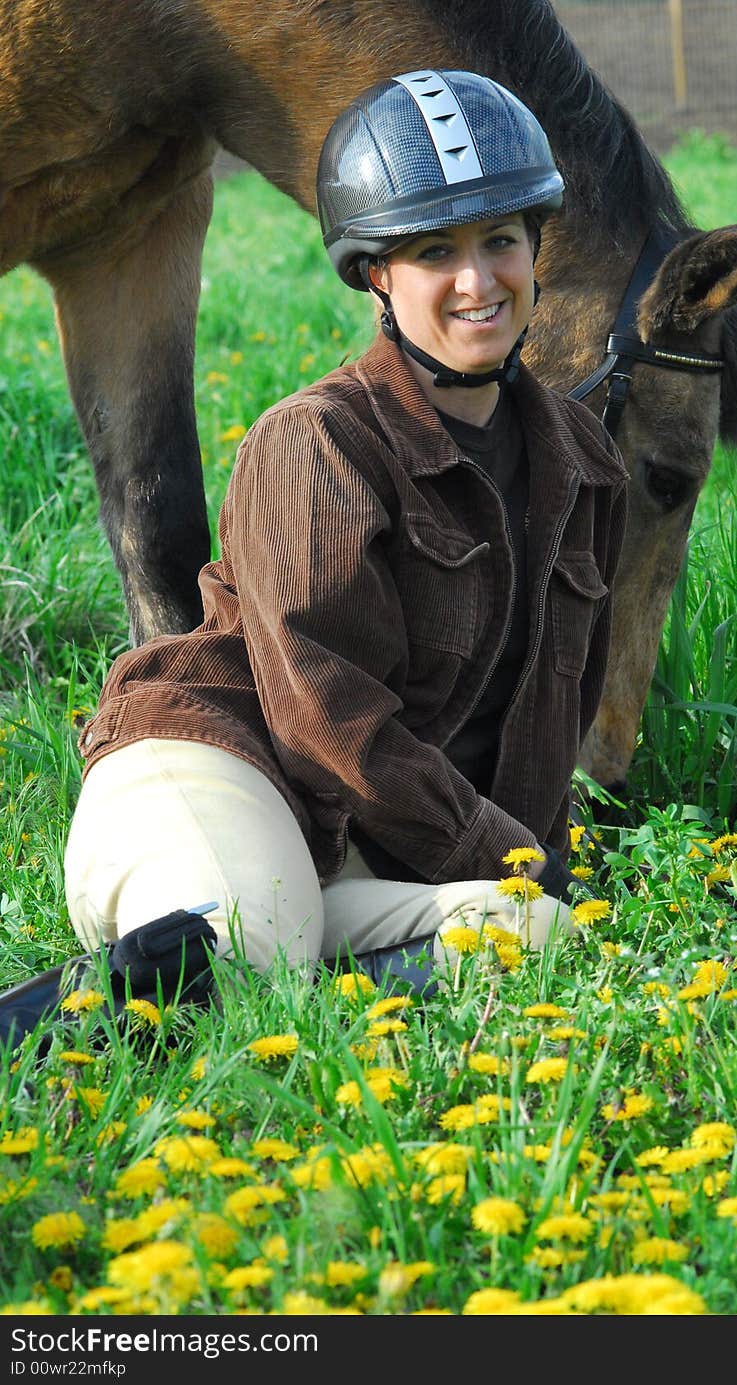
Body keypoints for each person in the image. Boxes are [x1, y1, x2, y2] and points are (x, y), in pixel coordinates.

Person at [61, 69, 629, 994]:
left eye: (500, 241)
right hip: (216, 765)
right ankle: (81, 1019)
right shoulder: (317, 439)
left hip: (357, 846)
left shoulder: (584, 464)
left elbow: (547, 721)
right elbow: (321, 714)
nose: (477, 280)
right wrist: (500, 846)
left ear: (537, 250)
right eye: (435, 252)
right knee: (241, 948)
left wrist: (538, 868)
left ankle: (298, 965)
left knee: (533, 934)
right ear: (377, 275)